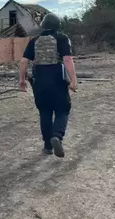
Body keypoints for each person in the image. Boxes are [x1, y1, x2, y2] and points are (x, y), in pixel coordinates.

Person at [18, 13, 76, 158]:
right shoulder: (62, 38)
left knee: (45, 112)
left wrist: (21, 80)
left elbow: (24, 61)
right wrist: (73, 79)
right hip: (57, 78)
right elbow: (67, 59)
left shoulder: (35, 40)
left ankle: (47, 146)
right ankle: (57, 136)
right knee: (63, 109)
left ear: (43, 25)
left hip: (39, 80)